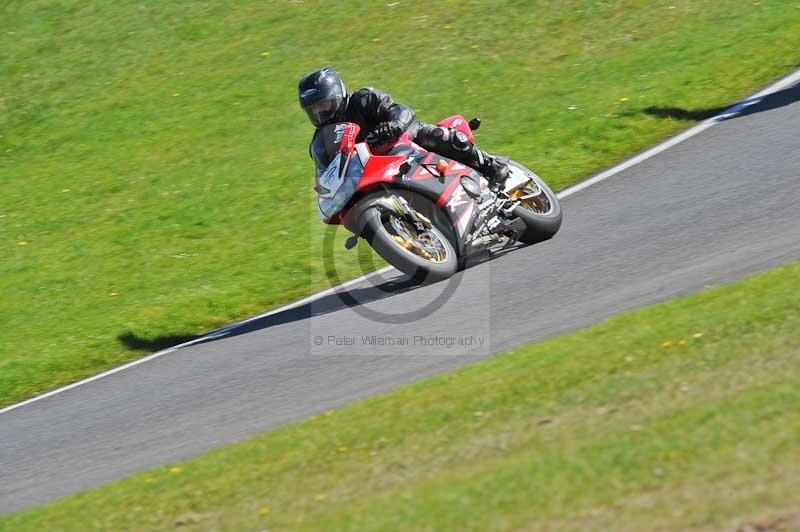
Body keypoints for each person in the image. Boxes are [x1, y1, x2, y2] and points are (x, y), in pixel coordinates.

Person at [298, 66, 509, 184]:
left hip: (402, 139)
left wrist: (393, 125)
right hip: (376, 168)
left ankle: (488, 165)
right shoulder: (322, 139)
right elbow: (325, 171)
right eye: (314, 110)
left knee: (433, 136)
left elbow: (402, 110)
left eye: (323, 104)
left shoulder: (363, 99)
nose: (320, 112)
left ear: (338, 93)